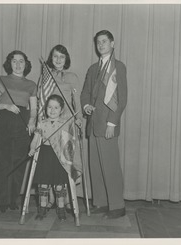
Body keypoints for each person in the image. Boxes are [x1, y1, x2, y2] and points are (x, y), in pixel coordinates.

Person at [80, 30, 127, 219]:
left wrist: (111, 123)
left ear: (112, 43)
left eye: (104, 41)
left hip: (108, 124)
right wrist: (86, 105)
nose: (101, 45)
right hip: (93, 124)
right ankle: (100, 202)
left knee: (110, 165)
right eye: (98, 42)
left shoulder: (118, 67)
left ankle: (117, 205)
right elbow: (84, 93)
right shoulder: (93, 68)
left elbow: (121, 99)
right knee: (96, 166)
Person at [37, 44, 82, 212]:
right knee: (50, 161)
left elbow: (76, 101)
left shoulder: (72, 76)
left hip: (66, 124)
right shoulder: (45, 76)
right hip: (49, 124)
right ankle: (49, 199)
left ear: (66, 59)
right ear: (51, 58)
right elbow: (41, 100)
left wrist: (78, 119)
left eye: (62, 57)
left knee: (66, 161)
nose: (58, 60)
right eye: (55, 56)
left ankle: (69, 200)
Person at [0, 50, 37, 213]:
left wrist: (32, 120)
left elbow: (34, 108)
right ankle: (2, 202)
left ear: (26, 64)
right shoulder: (0, 80)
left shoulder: (31, 85)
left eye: (21, 61)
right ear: (9, 63)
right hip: (4, 120)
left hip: (23, 121)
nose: (18, 64)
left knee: (18, 162)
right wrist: (6, 106)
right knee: (2, 161)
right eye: (14, 61)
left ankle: (13, 200)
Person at [29, 94, 80, 221]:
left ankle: (61, 210)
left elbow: (70, 142)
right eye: (50, 107)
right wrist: (32, 148)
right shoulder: (42, 123)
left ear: (61, 110)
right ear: (46, 108)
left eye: (56, 108)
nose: (52, 110)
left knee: (59, 186)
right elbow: (35, 139)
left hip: (59, 157)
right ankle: (42, 209)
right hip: (45, 156)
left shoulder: (65, 123)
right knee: (43, 185)